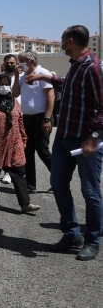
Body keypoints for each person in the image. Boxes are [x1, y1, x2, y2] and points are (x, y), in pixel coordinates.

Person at [27, 25, 103, 261]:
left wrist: (95, 137)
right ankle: (71, 233)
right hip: (64, 138)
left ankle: (92, 240)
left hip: (85, 141)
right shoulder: (76, 66)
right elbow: (69, 86)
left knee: (90, 192)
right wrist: (46, 77)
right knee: (58, 184)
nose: (60, 42)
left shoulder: (94, 67)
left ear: (69, 41)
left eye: (62, 39)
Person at [0, 74, 41, 213]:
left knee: (18, 172)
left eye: (6, 83)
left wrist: (24, 139)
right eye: (1, 83)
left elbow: (20, 122)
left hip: (15, 142)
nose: (4, 86)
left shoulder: (15, 102)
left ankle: (25, 203)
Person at [12, 51, 54, 193]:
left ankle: (59, 179)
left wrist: (47, 119)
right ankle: (31, 184)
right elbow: (15, 94)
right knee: (27, 152)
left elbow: (50, 96)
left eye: (21, 61)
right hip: (27, 118)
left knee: (43, 151)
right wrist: (17, 77)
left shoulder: (43, 73)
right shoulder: (23, 76)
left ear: (31, 61)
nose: (19, 64)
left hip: (41, 117)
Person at [0, 54, 21, 184]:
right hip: (2, 117)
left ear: (17, 64)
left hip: (18, 115)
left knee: (17, 147)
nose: (10, 65)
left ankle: (15, 173)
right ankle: (4, 171)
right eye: (7, 62)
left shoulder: (21, 78)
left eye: (12, 63)